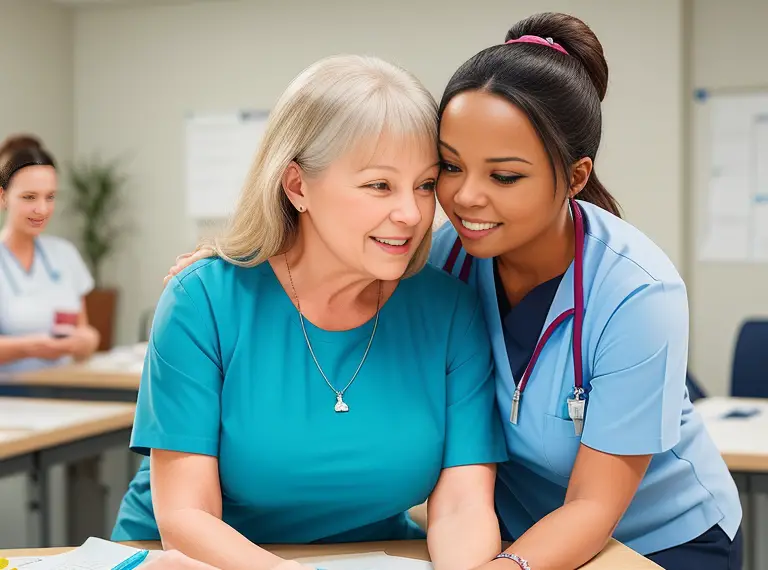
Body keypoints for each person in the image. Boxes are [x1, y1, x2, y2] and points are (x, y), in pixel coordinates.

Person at [169, 13, 743, 570]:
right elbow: (301, 257)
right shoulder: (441, 260)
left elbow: (592, 505)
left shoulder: (637, 292)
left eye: (505, 176)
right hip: (514, 536)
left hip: (648, 538)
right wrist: (233, 261)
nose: (462, 199)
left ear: (574, 177)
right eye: (448, 167)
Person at [112, 55, 508, 570]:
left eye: (426, 185)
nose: (412, 214)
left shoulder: (449, 309)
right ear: (298, 186)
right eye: (379, 185)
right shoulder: (202, 300)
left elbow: (461, 507)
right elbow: (186, 517)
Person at [0, 134, 100, 374]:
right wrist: (29, 347)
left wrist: (87, 340)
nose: (42, 209)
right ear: (3, 196)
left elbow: (83, 332)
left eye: (50, 197)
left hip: (62, 390)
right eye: (29, 197)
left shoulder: (64, 254)